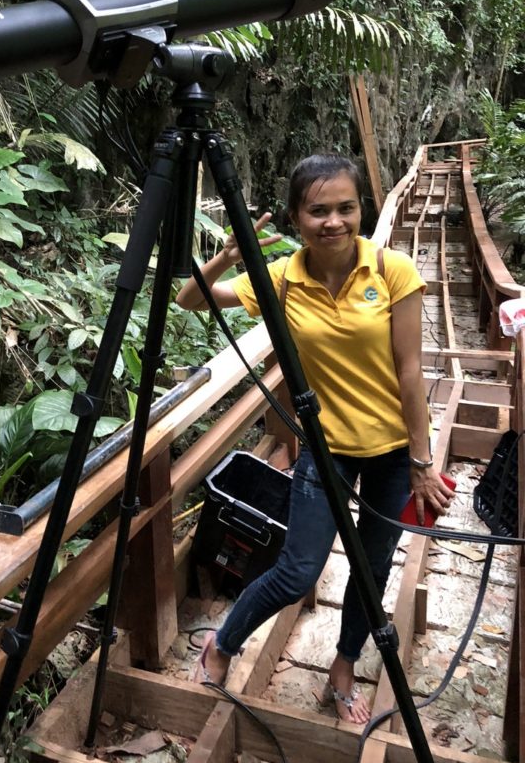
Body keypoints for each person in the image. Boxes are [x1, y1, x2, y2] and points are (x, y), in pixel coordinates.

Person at [175, 153, 455, 724]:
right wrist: (231, 253)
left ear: (362, 210)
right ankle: (222, 644)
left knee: (372, 567)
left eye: (346, 208)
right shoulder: (282, 278)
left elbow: (409, 371)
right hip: (326, 450)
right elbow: (191, 300)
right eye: (319, 210)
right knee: (297, 569)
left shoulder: (393, 271)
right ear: (296, 218)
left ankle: (344, 664)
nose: (334, 222)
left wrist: (423, 461)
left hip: (394, 454)